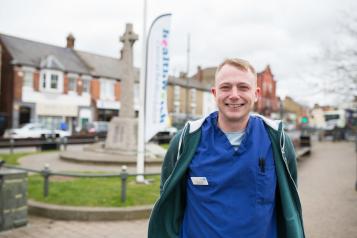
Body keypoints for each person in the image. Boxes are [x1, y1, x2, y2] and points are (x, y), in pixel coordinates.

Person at [148, 58, 305, 238]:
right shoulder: (187, 139)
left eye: (243, 87)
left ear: (256, 94)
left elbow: (289, 196)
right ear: (214, 93)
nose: (234, 95)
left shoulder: (277, 141)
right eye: (225, 87)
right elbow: (169, 197)